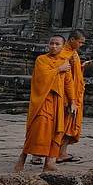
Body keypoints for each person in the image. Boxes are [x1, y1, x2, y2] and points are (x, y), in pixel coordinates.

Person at [14, 35, 76, 172]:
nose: (54, 46)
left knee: (56, 131)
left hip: (58, 101)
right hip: (43, 100)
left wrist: (72, 101)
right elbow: (41, 78)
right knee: (38, 130)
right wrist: (59, 69)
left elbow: (68, 83)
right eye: (51, 43)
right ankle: (22, 158)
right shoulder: (41, 60)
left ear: (62, 46)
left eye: (57, 44)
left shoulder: (65, 61)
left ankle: (49, 162)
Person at [57, 29, 93, 164]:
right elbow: (63, 77)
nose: (81, 45)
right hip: (67, 95)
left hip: (75, 94)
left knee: (70, 124)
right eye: (80, 42)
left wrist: (81, 66)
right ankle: (52, 153)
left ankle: (62, 152)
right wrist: (69, 98)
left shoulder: (73, 53)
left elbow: (72, 73)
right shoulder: (64, 53)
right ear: (72, 40)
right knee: (62, 124)